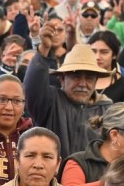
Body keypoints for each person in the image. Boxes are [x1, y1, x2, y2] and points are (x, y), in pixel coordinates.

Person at [24, 32, 112, 161]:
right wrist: (43, 50)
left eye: (89, 78)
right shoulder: (50, 101)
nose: (82, 84)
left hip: (91, 181)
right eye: (76, 76)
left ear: (96, 81)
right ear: (62, 79)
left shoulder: (107, 110)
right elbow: (31, 88)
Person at [86, 31, 124, 104]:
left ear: (114, 55)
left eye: (104, 52)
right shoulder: (77, 81)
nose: (97, 57)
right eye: (93, 51)